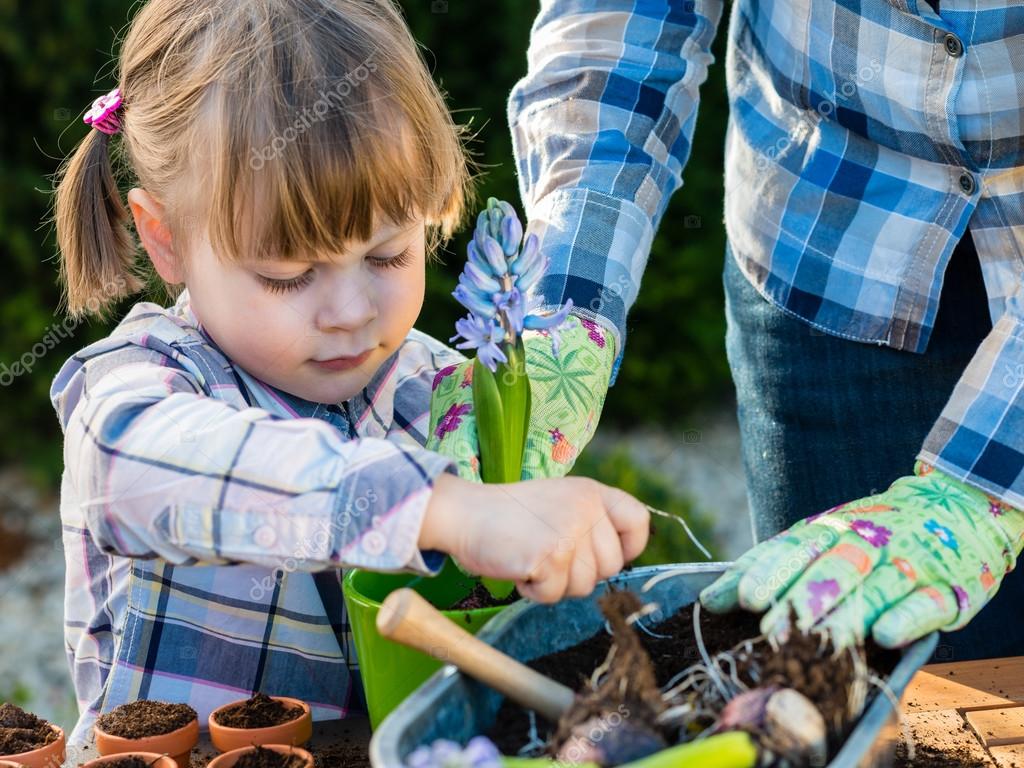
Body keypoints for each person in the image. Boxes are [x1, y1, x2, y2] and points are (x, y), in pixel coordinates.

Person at [48, 0, 649, 743]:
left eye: (388, 256)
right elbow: (128, 470)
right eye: (289, 275)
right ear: (165, 241)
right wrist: (445, 510)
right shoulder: (146, 384)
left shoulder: (433, 386)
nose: (349, 312)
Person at [506, 0, 1024, 661]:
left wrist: (983, 493)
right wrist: (569, 304)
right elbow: (624, 22)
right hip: (827, 238)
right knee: (831, 673)